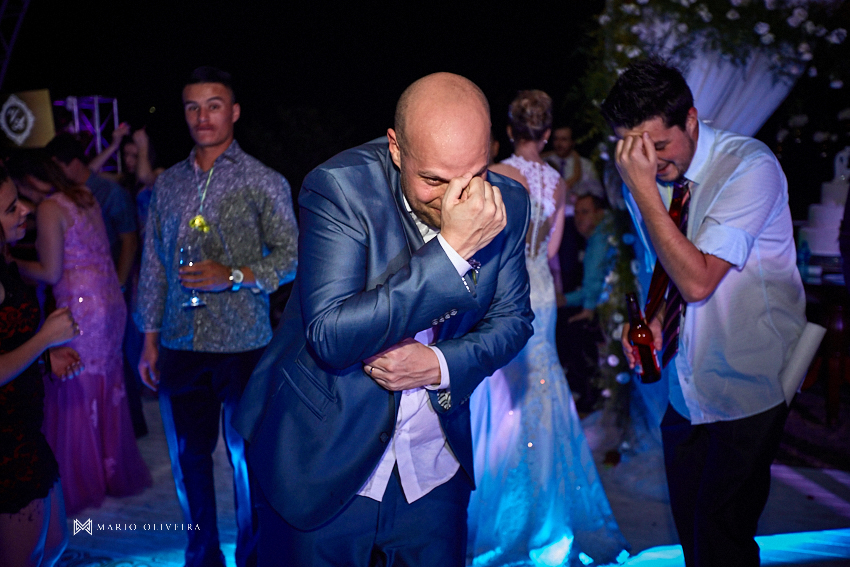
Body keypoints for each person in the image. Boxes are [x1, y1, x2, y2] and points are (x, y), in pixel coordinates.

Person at [232, 72, 534, 567]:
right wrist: (454, 252)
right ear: (396, 148)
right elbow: (331, 336)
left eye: (474, 174)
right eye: (434, 180)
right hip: (321, 459)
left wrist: (438, 364)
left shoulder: (510, 202)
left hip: (434, 472)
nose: (457, 199)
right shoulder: (338, 190)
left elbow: (513, 320)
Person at [601, 58, 806, 566]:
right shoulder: (648, 176)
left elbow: (696, 280)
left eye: (660, 146)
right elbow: (663, 266)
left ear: (690, 120)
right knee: (695, 538)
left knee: (722, 539)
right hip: (687, 384)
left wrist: (644, 190)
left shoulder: (749, 166)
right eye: (635, 151)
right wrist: (649, 319)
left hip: (752, 378)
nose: (649, 162)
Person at [136, 66, 298, 567]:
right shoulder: (167, 186)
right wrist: (149, 338)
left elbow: (291, 256)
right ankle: (201, 554)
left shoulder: (263, 180)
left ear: (234, 111)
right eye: (192, 106)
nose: (202, 116)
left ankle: (252, 556)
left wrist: (235, 274)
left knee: (247, 459)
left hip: (244, 343)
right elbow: (154, 264)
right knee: (188, 461)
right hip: (182, 344)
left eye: (213, 105)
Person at [467, 90, 629, 566]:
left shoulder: (498, 176)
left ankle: (504, 511)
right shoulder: (557, 181)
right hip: (541, 290)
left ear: (512, 129)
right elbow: (554, 248)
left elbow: (486, 243)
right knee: (543, 387)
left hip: (508, 289)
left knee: (501, 395)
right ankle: (547, 508)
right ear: (545, 131)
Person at [10, 152, 152, 516]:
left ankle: (82, 481)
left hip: (79, 306)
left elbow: (51, 272)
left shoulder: (49, 208)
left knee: (75, 386)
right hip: (108, 300)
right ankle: (109, 472)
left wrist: (13, 266)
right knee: (106, 382)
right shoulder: (83, 195)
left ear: (26, 183)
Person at [0, 167, 83, 567]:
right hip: (5, 448)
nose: (26, 210)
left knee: (53, 546)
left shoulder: (6, 264)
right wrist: (43, 341)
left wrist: (43, 358)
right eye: (10, 207)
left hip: (24, 432)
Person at [45, 133, 138, 290]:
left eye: (58, 168)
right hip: (81, 284)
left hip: (109, 280)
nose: (54, 175)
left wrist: (119, 284)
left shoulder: (110, 192)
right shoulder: (62, 195)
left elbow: (129, 240)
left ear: (74, 164)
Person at [560, 192, 615, 412]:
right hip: (602, 302)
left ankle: (589, 393)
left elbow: (593, 283)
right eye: (577, 214)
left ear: (600, 213)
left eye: (585, 212)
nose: (579, 218)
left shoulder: (600, 238)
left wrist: (587, 308)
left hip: (605, 308)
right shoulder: (600, 236)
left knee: (570, 329)